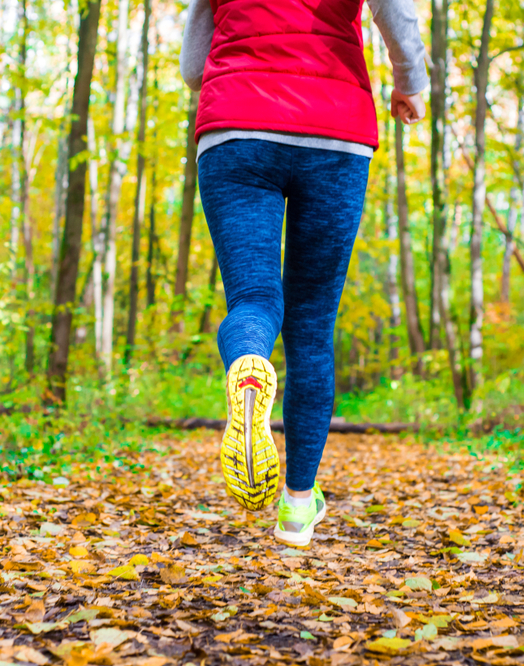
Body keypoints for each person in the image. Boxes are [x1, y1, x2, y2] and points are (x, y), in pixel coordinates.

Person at [180, 0, 429, 547]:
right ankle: (296, 506)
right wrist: (412, 81)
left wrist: (228, 72)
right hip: (334, 129)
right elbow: (396, 13)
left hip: (236, 128)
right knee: (312, 325)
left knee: (253, 299)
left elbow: (194, 62)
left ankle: (248, 363)